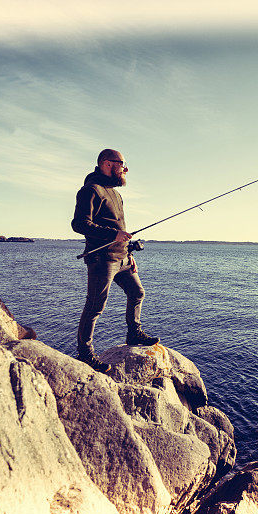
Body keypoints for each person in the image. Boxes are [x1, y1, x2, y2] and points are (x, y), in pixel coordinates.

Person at [72, 148, 159, 373]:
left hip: (122, 258)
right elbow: (79, 224)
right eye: (122, 164)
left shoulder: (115, 194)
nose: (125, 169)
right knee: (95, 306)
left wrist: (129, 254)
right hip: (103, 259)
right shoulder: (90, 190)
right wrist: (112, 236)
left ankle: (133, 333)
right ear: (107, 164)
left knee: (137, 292)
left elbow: (121, 229)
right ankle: (85, 353)